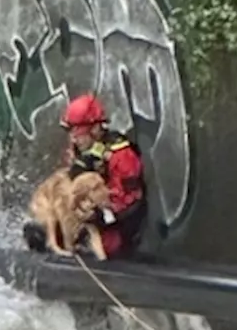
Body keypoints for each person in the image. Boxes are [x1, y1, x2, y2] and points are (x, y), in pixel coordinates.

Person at [22, 93, 148, 259]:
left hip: (113, 227)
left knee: (97, 243)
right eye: (71, 132)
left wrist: (99, 214)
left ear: (95, 129)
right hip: (83, 219)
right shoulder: (81, 152)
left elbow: (130, 202)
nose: (74, 138)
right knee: (41, 231)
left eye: (78, 132)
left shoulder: (121, 156)